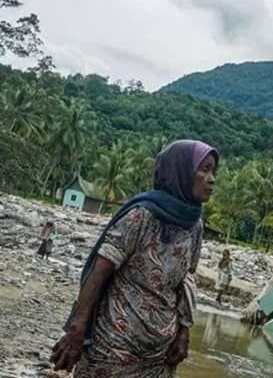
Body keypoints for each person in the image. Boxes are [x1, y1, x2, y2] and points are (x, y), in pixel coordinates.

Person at [50, 140, 219, 377]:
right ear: (181, 172)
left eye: (213, 171)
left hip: (159, 355)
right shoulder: (142, 216)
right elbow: (98, 272)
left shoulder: (194, 225)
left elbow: (187, 279)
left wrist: (184, 331)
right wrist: (77, 330)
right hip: (113, 348)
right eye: (204, 169)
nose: (212, 179)